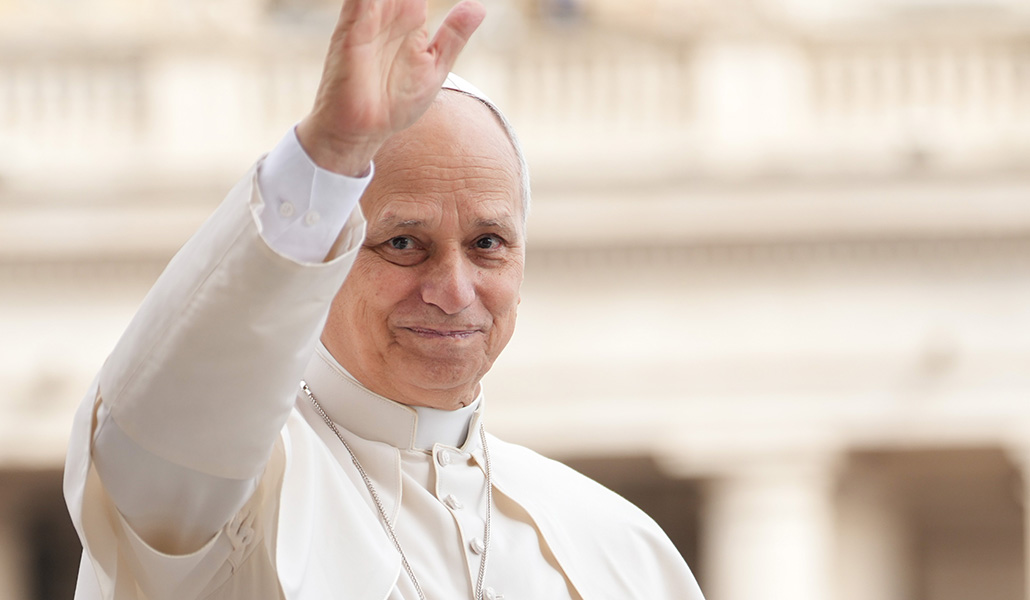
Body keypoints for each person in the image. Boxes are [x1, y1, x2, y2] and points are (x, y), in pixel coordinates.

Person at [63, 0, 706, 598]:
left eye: (487, 243)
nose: (453, 292)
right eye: (403, 243)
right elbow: (154, 431)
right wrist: (330, 156)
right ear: (330, 259)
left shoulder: (625, 551)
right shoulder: (233, 498)